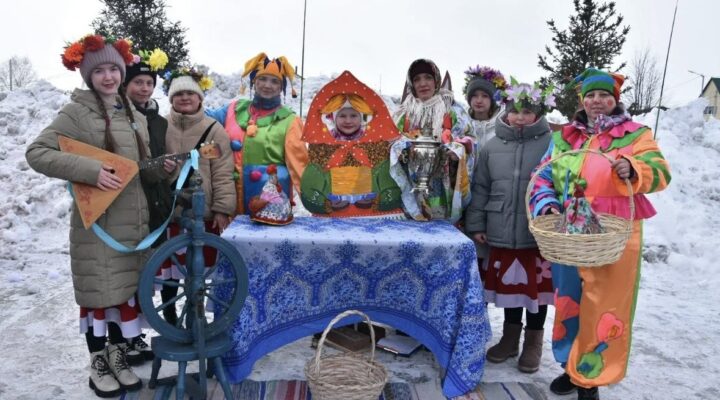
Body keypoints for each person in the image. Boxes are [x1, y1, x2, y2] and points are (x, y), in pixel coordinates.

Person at [528, 68, 671, 400]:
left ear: (615, 99)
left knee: (603, 303)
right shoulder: (564, 138)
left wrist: (634, 169)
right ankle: (570, 365)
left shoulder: (636, 136)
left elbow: (661, 171)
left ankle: (589, 376)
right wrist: (547, 205)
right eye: (590, 95)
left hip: (614, 233)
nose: (597, 101)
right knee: (568, 300)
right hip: (569, 233)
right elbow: (542, 176)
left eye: (604, 95)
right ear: (582, 101)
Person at [26, 34, 149, 397]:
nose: (108, 77)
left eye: (114, 69)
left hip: (132, 226)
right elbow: (37, 152)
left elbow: (136, 167)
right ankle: (98, 363)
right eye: (100, 71)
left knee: (122, 294)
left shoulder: (132, 112)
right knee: (99, 295)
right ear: (88, 76)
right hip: (97, 226)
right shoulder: (76, 112)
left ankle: (117, 356)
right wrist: (90, 170)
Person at [465, 79, 557, 374]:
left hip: (535, 234)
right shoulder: (492, 147)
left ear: (539, 114)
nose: (520, 117)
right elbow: (481, 187)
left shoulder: (552, 145)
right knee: (511, 291)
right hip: (501, 229)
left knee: (536, 293)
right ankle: (509, 338)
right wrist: (476, 224)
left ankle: (533, 343)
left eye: (527, 112)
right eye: (515, 111)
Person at [159, 66, 236, 321]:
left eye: (190, 94)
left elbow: (222, 172)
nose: (184, 98)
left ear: (199, 98)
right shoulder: (161, 127)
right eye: (178, 94)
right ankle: (169, 313)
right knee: (170, 268)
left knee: (199, 268)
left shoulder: (214, 130)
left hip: (203, 213)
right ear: (171, 99)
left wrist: (222, 208)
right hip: (170, 211)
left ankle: (197, 313)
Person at [205, 52, 308, 216]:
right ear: (254, 81)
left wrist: (318, 202)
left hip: (269, 206)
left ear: (281, 87)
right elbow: (201, 120)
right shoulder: (233, 109)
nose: (267, 85)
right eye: (262, 79)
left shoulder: (290, 121)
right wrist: (189, 93)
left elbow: (300, 166)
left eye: (275, 81)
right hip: (227, 202)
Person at [121, 48, 173, 365]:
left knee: (147, 271)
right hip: (129, 200)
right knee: (127, 273)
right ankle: (123, 338)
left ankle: (137, 334)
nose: (144, 88)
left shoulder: (159, 121)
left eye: (149, 83)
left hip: (155, 199)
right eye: (138, 82)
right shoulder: (120, 116)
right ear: (126, 84)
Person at [300, 71, 403, 218]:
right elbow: (310, 185)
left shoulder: (377, 147)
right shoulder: (321, 148)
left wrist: (380, 200)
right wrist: (324, 203)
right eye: (342, 116)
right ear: (333, 118)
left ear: (362, 118)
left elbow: (391, 184)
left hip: (373, 218)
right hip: (333, 220)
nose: (348, 121)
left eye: (353, 115)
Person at [389, 59, 475, 223]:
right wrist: (399, 150)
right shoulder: (403, 114)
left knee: (440, 231)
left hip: (443, 188)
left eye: (428, 77)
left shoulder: (452, 110)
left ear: (436, 80)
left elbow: (470, 138)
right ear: (411, 84)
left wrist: (458, 150)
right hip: (411, 188)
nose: (423, 84)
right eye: (417, 79)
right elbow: (390, 141)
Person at [463, 65, 507, 149]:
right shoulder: (461, 123)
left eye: (485, 96)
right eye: (475, 95)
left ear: (493, 99)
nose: (479, 100)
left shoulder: (503, 125)